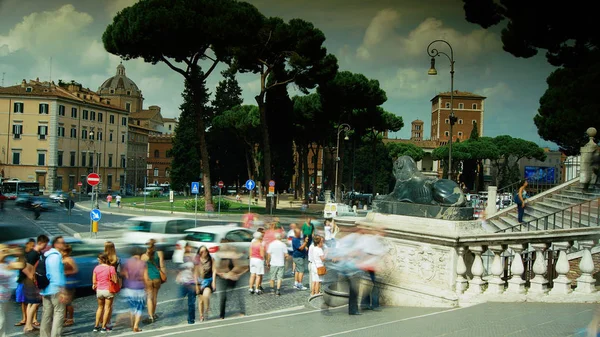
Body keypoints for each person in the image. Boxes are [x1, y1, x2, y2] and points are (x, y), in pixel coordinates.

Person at [39, 236, 68, 337]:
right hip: (55, 289)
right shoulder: (56, 256)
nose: (64, 245)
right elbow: (56, 274)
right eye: (62, 243)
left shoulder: (46, 255)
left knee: (46, 314)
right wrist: (62, 291)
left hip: (45, 289)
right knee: (59, 314)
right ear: (56, 244)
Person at [215, 240, 248, 319]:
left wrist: (231, 273)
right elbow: (216, 267)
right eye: (222, 245)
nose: (224, 246)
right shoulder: (219, 254)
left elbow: (238, 266)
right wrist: (223, 274)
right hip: (222, 278)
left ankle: (242, 311)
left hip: (233, 277)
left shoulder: (232, 253)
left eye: (225, 245)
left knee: (239, 294)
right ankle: (221, 315)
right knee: (222, 296)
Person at [23, 235, 49, 333]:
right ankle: (28, 325)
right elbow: (27, 267)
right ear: (41, 243)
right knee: (35, 303)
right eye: (45, 244)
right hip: (33, 281)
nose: (45, 246)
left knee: (31, 303)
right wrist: (33, 278)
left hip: (33, 281)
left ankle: (28, 324)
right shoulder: (33, 254)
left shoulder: (38, 253)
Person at [0, 244, 25, 337]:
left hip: (6, 298)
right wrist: (7, 251)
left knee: (6, 322)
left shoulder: (7, 264)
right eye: (3, 251)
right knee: (1, 321)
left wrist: (20, 255)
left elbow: (21, 265)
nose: (5, 253)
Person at [121, 247, 146, 333]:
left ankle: (132, 324)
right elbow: (144, 276)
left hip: (129, 287)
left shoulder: (127, 262)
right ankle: (136, 326)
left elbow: (124, 273)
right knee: (139, 308)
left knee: (132, 307)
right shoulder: (142, 263)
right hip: (139, 287)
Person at [92, 253, 117, 333]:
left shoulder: (96, 268)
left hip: (99, 290)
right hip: (108, 290)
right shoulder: (111, 268)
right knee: (107, 308)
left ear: (100, 260)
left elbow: (94, 281)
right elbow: (115, 280)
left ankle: (96, 326)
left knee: (100, 308)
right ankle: (103, 327)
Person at [142, 239, 165, 323]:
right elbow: (162, 266)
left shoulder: (143, 256)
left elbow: (142, 270)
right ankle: (153, 314)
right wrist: (163, 276)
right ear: (154, 246)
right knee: (154, 297)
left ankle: (150, 316)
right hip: (157, 277)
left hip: (148, 278)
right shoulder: (159, 253)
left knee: (149, 297)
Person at [14, 238, 35, 327]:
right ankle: (24, 318)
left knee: (32, 300)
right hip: (22, 280)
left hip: (30, 281)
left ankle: (34, 319)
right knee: (23, 301)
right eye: (32, 245)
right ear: (27, 244)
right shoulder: (21, 257)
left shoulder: (34, 255)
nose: (33, 247)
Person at [194, 246, 216, 322]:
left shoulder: (211, 259)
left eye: (205, 251)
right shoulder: (197, 261)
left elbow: (214, 271)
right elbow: (195, 274)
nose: (204, 253)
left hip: (208, 280)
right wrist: (196, 285)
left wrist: (214, 282)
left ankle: (208, 309)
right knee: (200, 301)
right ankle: (201, 316)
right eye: (202, 252)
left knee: (206, 295)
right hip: (200, 282)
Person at [62, 244, 78, 327]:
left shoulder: (69, 260)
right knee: (63, 302)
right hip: (63, 282)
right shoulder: (62, 259)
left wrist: (65, 273)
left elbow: (75, 270)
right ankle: (64, 318)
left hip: (69, 282)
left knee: (68, 302)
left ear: (66, 252)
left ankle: (70, 318)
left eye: (63, 251)